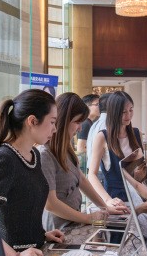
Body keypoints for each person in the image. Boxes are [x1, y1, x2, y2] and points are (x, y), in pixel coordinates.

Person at [0, 89, 65, 256]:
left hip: (35, 254)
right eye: (52, 122)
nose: (55, 129)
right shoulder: (5, 159)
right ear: (32, 121)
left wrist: (41, 235)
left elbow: (23, 207)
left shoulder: (34, 154)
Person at [39, 93, 127, 231]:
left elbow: (81, 179)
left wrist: (104, 207)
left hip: (73, 223)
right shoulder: (45, 155)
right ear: (63, 121)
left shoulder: (66, 150)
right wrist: (87, 218)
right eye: (77, 122)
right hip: (58, 230)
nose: (80, 128)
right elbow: (50, 204)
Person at [88, 91, 147, 204]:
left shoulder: (136, 134)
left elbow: (140, 178)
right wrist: (107, 200)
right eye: (123, 112)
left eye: (131, 110)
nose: (128, 115)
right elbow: (91, 174)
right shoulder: (103, 137)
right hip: (116, 200)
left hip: (140, 197)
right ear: (113, 112)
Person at [76, 94, 100, 172]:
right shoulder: (85, 123)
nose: (100, 107)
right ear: (87, 106)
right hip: (86, 166)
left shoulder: (89, 122)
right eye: (97, 104)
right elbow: (80, 148)